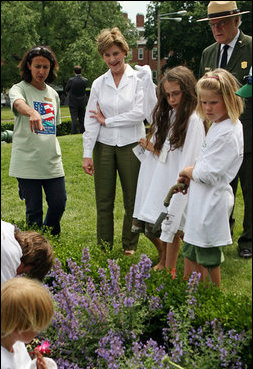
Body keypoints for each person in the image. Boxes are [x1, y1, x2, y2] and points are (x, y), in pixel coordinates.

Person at [132, 66, 205, 276]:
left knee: (181, 226)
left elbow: (190, 156)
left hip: (180, 179)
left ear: (188, 91)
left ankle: (190, 272)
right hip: (165, 175)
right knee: (168, 223)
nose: (172, 99)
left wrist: (180, 182)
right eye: (168, 95)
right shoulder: (172, 114)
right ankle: (168, 265)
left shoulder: (193, 120)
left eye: (176, 94)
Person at [175, 69, 244, 287]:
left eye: (213, 102)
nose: (207, 108)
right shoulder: (218, 126)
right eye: (203, 102)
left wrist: (188, 171)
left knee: (208, 254)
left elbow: (211, 174)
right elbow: (205, 162)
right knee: (193, 247)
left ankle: (213, 295)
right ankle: (195, 292)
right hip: (201, 197)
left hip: (213, 201)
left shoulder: (229, 132)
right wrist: (191, 175)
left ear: (229, 100)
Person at [82, 27, 147, 254]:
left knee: (133, 199)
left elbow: (140, 113)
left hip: (132, 144)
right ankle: (104, 247)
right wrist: (87, 153)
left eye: (116, 53)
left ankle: (129, 245)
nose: (112, 59)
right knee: (104, 200)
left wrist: (108, 121)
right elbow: (91, 120)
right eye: (107, 55)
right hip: (104, 147)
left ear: (125, 52)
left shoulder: (138, 79)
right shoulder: (99, 83)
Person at [198, 1, 252, 259]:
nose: (217, 28)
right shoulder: (208, 53)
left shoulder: (251, 47)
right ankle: (222, 234)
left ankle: (249, 240)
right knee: (219, 187)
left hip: (246, 131)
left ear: (236, 22)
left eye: (221, 23)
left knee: (249, 190)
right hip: (217, 134)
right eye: (212, 25)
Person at [8, 45, 67, 236]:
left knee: (59, 204)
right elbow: (18, 103)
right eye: (37, 66)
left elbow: (52, 129)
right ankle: (35, 253)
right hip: (27, 162)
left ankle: (48, 241)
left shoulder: (53, 94)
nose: (41, 71)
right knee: (34, 212)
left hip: (51, 161)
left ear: (51, 68)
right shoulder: (19, 89)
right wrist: (32, 112)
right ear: (29, 66)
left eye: (46, 67)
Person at [1, 277, 58, 369]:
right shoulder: (3, 368)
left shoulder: (16, 344)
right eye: (37, 325)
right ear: (19, 327)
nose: (40, 330)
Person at [1, 219, 54, 284]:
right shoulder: (10, 257)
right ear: (30, 260)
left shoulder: (7, 228)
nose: (17, 275)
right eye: (23, 272)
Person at [65, 65, 88, 134]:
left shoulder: (71, 80)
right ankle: (82, 131)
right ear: (81, 71)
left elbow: (66, 89)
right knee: (82, 117)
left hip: (73, 101)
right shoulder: (85, 80)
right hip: (82, 101)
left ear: (74, 71)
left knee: (74, 118)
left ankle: (74, 131)